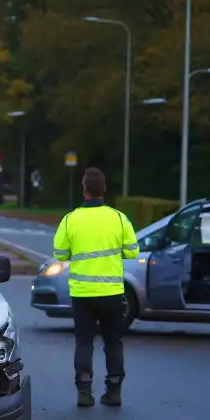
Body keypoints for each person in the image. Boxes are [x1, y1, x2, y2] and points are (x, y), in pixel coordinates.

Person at [51, 167, 139, 407]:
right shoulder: (119, 218)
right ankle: (114, 390)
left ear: (85, 190)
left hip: (82, 294)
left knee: (84, 342)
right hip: (112, 293)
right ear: (104, 190)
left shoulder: (71, 219)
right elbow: (132, 251)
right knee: (113, 341)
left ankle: (84, 391)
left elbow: (59, 253)